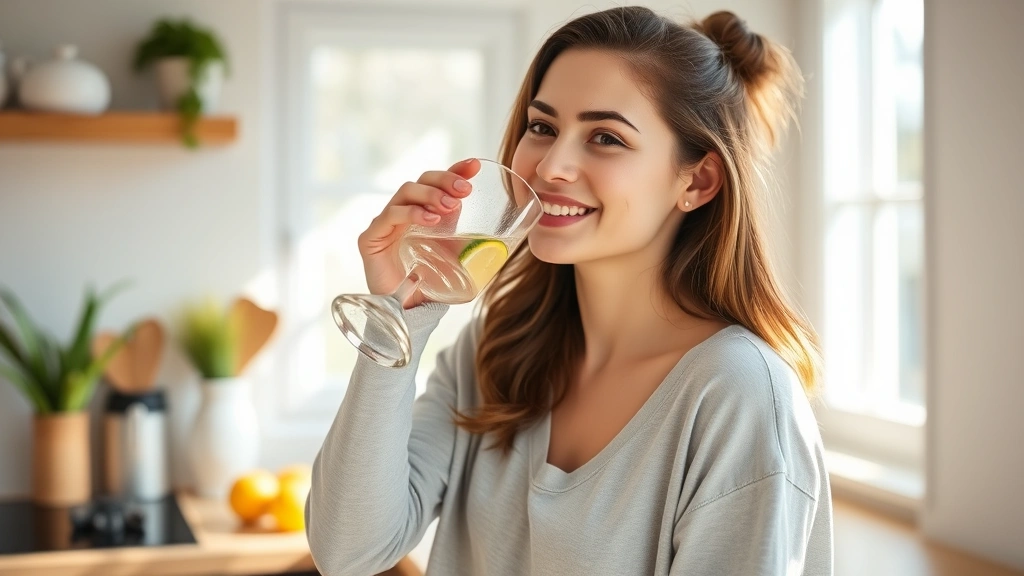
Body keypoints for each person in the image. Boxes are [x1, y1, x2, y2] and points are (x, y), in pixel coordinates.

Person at [306, 6, 833, 575]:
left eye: (605, 137)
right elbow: (348, 549)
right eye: (543, 127)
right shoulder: (497, 350)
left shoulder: (742, 396)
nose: (552, 165)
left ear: (697, 181)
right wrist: (401, 316)